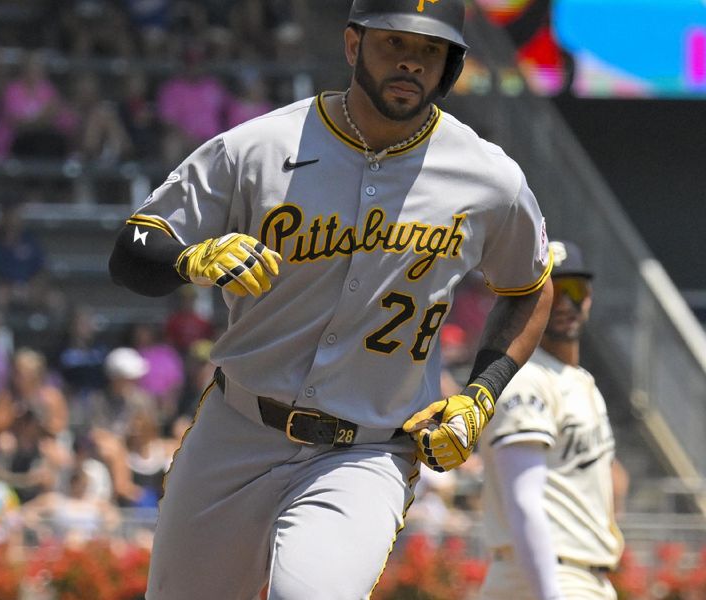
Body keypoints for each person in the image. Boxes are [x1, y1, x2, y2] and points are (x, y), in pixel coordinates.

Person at [108, 1, 554, 597]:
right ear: (352, 45)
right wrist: (189, 258)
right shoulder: (261, 146)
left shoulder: (488, 178)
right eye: (394, 43)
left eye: (429, 51)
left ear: (450, 67)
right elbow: (134, 247)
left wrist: (481, 393)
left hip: (364, 453)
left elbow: (529, 288)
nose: (411, 63)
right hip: (236, 428)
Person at [479, 240, 624, 600]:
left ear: (589, 297)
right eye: (551, 291)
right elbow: (523, 500)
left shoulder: (580, 381)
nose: (563, 303)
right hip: (545, 576)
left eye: (574, 289)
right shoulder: (526, 378)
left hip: (580, 577)